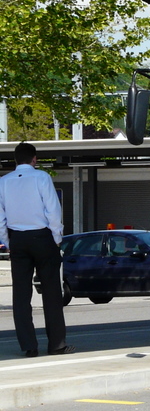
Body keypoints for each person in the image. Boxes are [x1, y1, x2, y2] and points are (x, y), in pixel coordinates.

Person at [0, 142, 73, 357]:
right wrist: (56, 237)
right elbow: (53, 210)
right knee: (51, 293)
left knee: (21, 295)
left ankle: (29, 346)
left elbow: (1, 217)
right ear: (34, 159)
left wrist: (8, 242)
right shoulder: (42, 177)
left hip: (18, 239)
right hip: (42, 237)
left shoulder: (3, 182)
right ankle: (57, 344)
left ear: (15, 160)